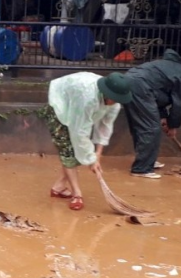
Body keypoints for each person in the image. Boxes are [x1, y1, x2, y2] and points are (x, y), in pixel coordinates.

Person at [44, 72, 132, 211]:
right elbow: (79, 132)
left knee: (79, 151)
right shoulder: (87, 98)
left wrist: (98, 154)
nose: (114, 102)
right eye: (113, 99)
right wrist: (91, 159)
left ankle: (58, 187)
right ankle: (76, 194)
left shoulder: (114, 103)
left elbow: (105, 126)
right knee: (68, 150)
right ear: (106, 93)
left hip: (77, 109)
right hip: (60, 103)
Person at [123, 50, 181, 179]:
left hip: (131, 82)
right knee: (150, 128)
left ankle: (148, 161)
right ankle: (141, 169)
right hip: (140, 86)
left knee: (141, 125)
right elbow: (180, 105)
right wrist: (173, 125)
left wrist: (163, 117)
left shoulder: (175, 67)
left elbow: (160, 94)